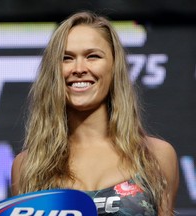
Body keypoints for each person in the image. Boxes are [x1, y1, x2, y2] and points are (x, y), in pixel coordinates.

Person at [11, 11, 179, 215]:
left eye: (93, 56)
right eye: (67, 58)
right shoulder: (28, 165)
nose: (79, 68)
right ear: (54, 70)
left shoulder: (156, 156)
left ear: (114, 66)